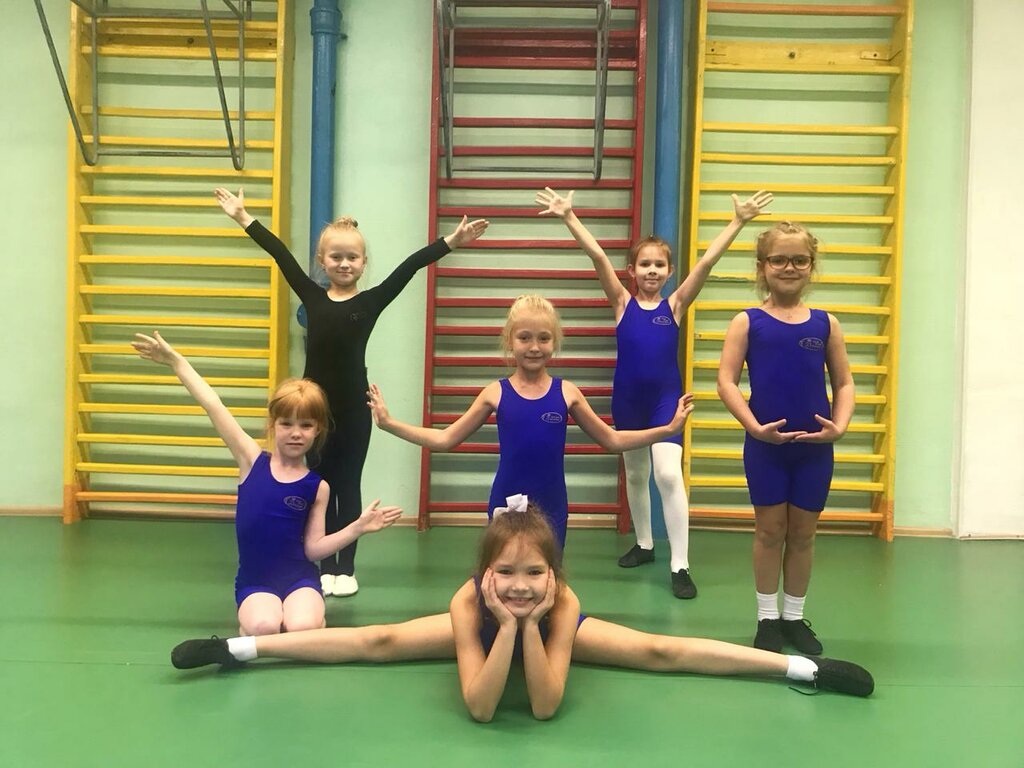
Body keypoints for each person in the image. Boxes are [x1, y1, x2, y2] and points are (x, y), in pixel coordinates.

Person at [170, 504, 875, 720]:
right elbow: (481, 707)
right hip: (488, 632)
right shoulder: (469, 600)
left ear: (555, 576)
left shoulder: (561, 601)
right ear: (483, 576)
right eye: (504, 573)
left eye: (533, 573)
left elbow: (542, 705)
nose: (518, 584)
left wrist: (532, 621)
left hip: (550, 633)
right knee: (378, 640)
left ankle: (803, 668)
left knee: (661, 651)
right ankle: (237, 650)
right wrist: (504, 621)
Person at [215, 187, 488, 596]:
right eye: (336, 257)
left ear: (363, 263)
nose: (344, 264)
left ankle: (346, 568)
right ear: (322, 261)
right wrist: (242, 216)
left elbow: (411, 266)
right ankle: (325, 565)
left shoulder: (372, 301)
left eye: (352, 258)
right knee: (319, 486)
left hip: (355, 411)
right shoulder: (312, 295)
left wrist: (451, 241)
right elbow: (279, 254)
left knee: (348, 485)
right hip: (313, 413)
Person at [535, 187, 773, 598]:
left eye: (659, 265)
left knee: (666, 473)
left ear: (670, 270)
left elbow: (706, 263)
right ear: (631, 270)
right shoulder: (622, 303)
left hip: (665, 401)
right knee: (635, 473)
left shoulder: (675, 306)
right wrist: (569, 216)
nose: (652, 271)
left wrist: (738, 221)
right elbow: (598, 257)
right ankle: (644, 544)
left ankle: (680, 564)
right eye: (644, 264)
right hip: (628, 399)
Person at [365, 294, 694, 549]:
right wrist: (390, 424)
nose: (534, 347)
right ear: (510, 341)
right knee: (503, 576)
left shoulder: (567, 393)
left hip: (553, 504)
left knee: (546, 580)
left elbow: (612, 440)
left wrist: (666, 430)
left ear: (555, 342)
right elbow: (445, 439)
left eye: (543, 338)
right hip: (506, 500)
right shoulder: (495, 393)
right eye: (524, 338)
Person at [131, 331, 402, 635]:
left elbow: (314, 550)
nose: (296, 433)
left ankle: (311, 618)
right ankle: (259, 620)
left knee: (302, 627)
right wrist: (177, 363)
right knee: (265, 626)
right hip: (257, 581)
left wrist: (357, 527)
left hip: (300, 579)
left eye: (306, 425)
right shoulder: (251, 460)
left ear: (317, 430)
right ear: (274, 425)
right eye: (287, 424)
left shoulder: (317, 487)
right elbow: (213, 405)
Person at [716, 222, 855, 656]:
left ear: (811, 266)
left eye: (799, 260)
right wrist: (753, 427)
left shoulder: (826, 324)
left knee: (804, 534)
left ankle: (793, 617)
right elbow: (726, 381)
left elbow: (844, 383)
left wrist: (839, 426)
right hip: (766, 448)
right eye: (779, 260)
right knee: (770, 530)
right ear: (762, 266)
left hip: (814, 449)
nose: (789, 267)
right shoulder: (747, 321)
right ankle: (767, 618)